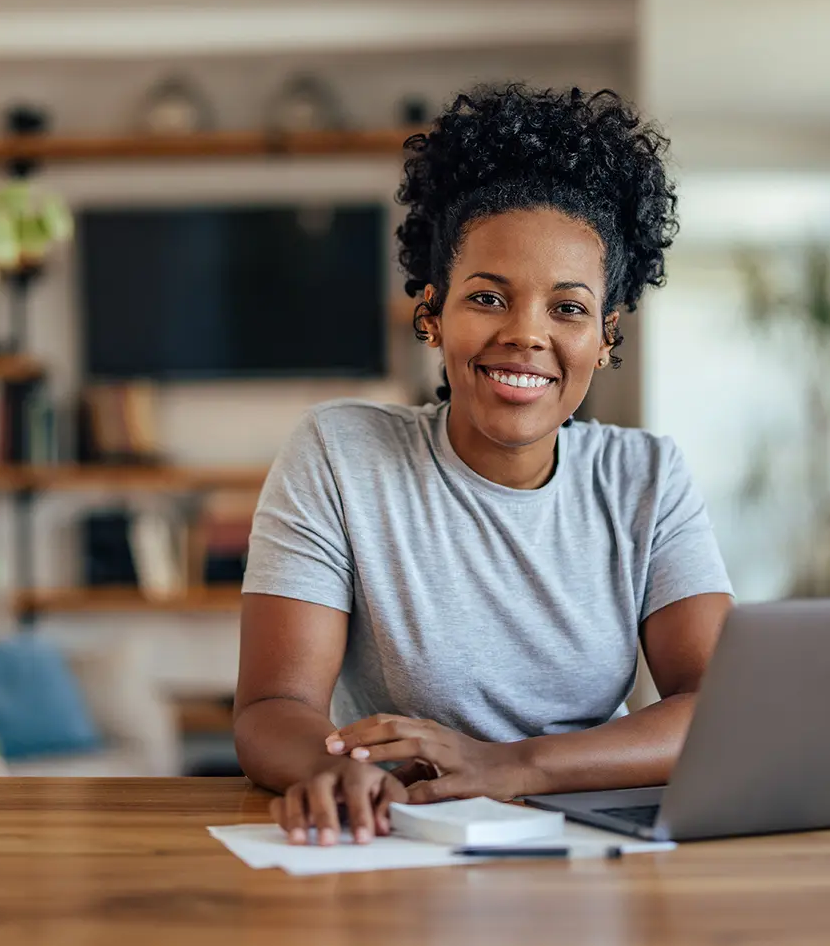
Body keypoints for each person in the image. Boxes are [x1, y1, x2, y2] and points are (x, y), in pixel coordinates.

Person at [233, 84, 734, 846]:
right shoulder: (341, 454)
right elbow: (272, 706)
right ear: (432, 313)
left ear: (606, 334)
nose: (526, 334)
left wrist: (512, 765)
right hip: (406, 834)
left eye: (566, 308)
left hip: (595, 839)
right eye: (489, 297)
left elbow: (717, 707)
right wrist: (329, 768)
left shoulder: (648, 479)